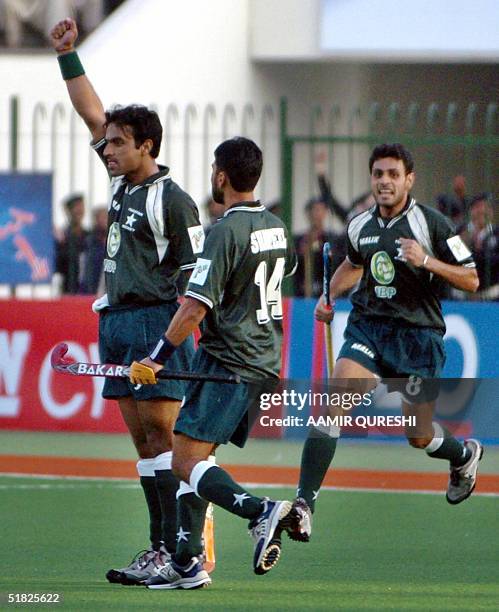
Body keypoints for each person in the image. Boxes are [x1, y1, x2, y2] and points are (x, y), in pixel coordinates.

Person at [50, 18, 205, 585]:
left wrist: (173, 343)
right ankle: (163, 550)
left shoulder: (175, 201)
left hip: (154, 323)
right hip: (114, 321)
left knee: (165, 440)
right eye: (108, 142)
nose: (107, 148)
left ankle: (180, 553)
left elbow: (197, 279)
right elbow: (92, 112)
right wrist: (68, 55)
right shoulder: (121, 184)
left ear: (148, 146)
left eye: (119, 142)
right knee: (144, 445)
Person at [129, 137, 299, 589]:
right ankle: (187, 563)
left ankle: (261, 512)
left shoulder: (223, 230)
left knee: (183, 460)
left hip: (228, 363)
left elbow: (193, 308)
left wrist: (157, 357)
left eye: (212, 170)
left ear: (221, 176)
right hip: (263, 362)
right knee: (199, 458)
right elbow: (282, 277)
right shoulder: (278, 227)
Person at [294, 143, 483, 541]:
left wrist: (427, 261)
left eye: (393, 175)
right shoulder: (359, 225)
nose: (384, 181)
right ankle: (303, 505)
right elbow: (353, 264)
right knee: (331, 406)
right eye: (378, 174)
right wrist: (329, 296)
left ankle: (464, 455)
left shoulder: (432, 225)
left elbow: (472, 278)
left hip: (418, 339)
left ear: (408, 180)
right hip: (369, 329)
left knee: (418, 434)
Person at [458, 194, 498, 300]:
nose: (482, 211)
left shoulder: (497, 234)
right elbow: (452, 256)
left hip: (491, 290)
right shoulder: (460, 232)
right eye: (478, 207)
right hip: (462, 289)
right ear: (471, 211)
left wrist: (480, 254)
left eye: (486, 208)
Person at [54, 192, 89, 294]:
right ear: (68, 211)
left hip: (88, 290)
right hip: (67, 289)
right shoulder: (62, 237)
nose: (80, 211)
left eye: (81, 207)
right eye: (76, 208)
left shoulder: (89, 236)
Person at [80, 205, 107, 294]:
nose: (105, 220)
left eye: (106, 217)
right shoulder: (90, 241)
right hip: (91, 288)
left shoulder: (114, 240)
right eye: (102, 217)